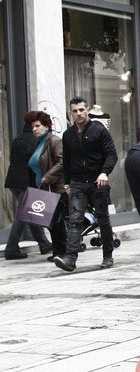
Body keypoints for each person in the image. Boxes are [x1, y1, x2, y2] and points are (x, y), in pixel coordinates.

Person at [55, 97, 117, 272]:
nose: (79, 113)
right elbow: (66, 161)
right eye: (75, 111)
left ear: (87, 109)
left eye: (81, 110)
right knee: (75, 220)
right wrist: (67, 184)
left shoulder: (99, 130)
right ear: (70, 113)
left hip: (98, 182)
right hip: (77, 184)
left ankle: (107, 256)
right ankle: (70, 259)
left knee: (103, 219)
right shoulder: (68, 135)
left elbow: (111, 154)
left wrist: (105, 172)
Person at [4, 122, 53, 259]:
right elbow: (38, 163)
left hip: (14, 180)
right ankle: (11, 248)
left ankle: (44, 243)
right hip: (27, 181)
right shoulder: (35, 140)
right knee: (23, 214)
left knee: (31, 212)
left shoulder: (17, 139)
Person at [23, 110, 67, 261]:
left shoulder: (54, 141)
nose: (34, 129)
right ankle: (58, 251)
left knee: (56, 221)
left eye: (37, 126)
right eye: (32, 127)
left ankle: (61, 252)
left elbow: (62, 161)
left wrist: (47, 177)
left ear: (47, 126)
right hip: (43, 188)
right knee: (51, 221)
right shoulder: (39, 142)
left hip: (55, 187)